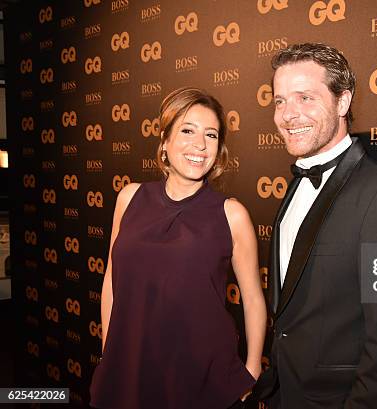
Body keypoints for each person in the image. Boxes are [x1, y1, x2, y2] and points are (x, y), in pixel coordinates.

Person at [255, 43, 377, 408]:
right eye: (280, 100)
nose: (288, 114)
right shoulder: (296, 184)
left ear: (343, 101)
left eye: (305, 97)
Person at [89, 87, 267, 409]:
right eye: (187, 130)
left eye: (211, 135)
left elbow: (253, 298)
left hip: (201, 377)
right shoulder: (129, 198)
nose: (200, 144)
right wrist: (109, 348)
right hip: (130, 366)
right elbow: (111, 281)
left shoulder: (232, 214)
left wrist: (252, 369)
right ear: (165, 141)